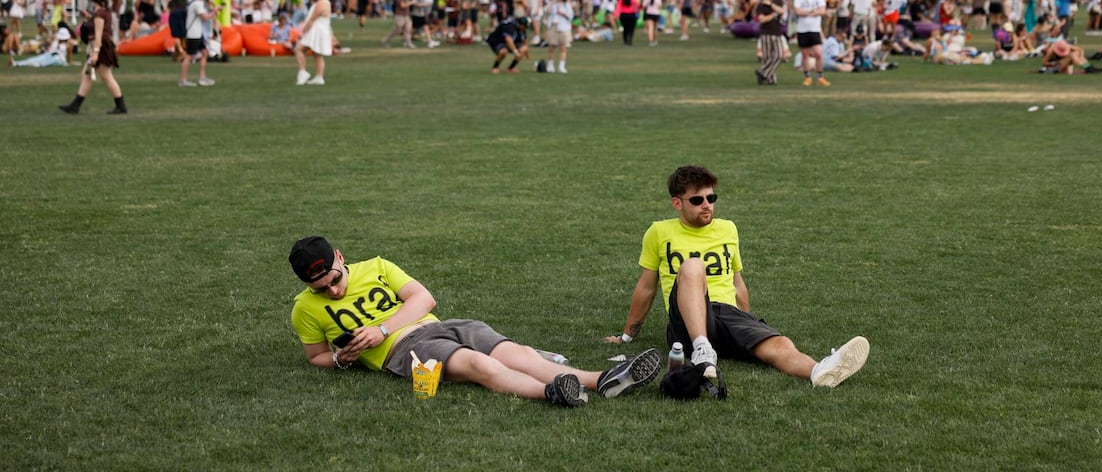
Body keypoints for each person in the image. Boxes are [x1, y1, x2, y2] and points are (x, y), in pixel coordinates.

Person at [289, 236, 661, 407]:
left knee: (519, 354)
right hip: (404, 351)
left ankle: (602, 380)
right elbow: (316, 357)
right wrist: (341, 358)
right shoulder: (305, 308)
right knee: (480, 364)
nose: (333, 291)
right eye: (321, 288)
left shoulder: (376, 266)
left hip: (441, 325)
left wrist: (381, 328)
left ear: (340, 257)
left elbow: (424, 299)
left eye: (335, 279)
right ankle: (552, 391)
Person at [605, 166, 870, 389]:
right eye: (697, 200)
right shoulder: (659, 232)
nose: (707, 205)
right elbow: (647, 287)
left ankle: (819, 370)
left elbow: (737, 281)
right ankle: (702, 350)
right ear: (677, 203)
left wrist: (748, 321)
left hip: (726, 314)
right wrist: (627, 336)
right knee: (693, 267)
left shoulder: (728, 229)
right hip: (685, 320)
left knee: (779, 343)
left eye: (711, 198)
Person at [58, 0, 127, 115]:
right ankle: (75, 106)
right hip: (101, 47)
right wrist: (89, 16)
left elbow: (98, 34)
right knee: (87, 75)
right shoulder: (102, 11)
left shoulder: (99, 14)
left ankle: (121, 106)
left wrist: (95, 53)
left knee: (106, 76)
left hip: (100, 48)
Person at [791, 0, 829, 87]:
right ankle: (808, 77)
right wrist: (813, 11)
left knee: (818, 54)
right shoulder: (798, 0)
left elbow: (822, 11)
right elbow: (798, 12)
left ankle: (820, 76)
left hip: (815, 29)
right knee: (805, 54)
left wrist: (807, 12)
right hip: (802, 30)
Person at [180, 0, 219, 87]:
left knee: (205, 52)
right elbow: (205, 18)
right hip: (193, 34)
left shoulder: (194, 1)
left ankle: (202, 77)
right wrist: (215, 12)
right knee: (189, 56)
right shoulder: (197, 3)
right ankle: (183, 80)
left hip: (197, 33)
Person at [295, 0, 333, 85]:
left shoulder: (321, 3)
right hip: (320, 30)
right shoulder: (325, 2)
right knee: (317, 54)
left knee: (299, 49)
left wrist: (303, 31)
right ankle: (319, 77)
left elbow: (312, 19)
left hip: (316, 30)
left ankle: (303, 71)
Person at [753, 0, 788, 85]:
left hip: (777, 32)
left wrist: (771, 5)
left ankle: (762, 72)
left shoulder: (777, 1)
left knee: (779, 56)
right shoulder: (761, 5)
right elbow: (762, 19)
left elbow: (782, 11)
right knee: (767, 58)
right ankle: (771, 79)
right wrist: (773, 15)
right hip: (766, 33)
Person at [544, 0, 573, 73]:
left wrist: (563, 13)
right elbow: (546, 11)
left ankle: (561, 66)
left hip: (563, 27)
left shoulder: (566, 4)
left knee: (563, 47)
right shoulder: (552, 4)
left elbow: (570, 16)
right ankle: (550, 65)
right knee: (551, 47)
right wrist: (552, 2)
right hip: (553, 26)